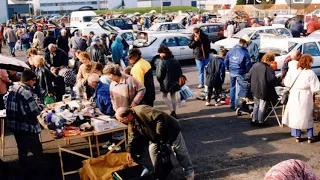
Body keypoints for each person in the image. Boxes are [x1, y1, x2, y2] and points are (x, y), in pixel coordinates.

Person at [115, 105, 194, 180]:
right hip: (155, 136)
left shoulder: (142, 111)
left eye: (121, 120)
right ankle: (159, 173)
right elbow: (131, 136)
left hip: (170, 130)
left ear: (126, 117)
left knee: (179, 151)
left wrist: (158, 135)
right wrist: (129, 151)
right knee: (153, 151)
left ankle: (189, 172)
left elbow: (160, 118)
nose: (121, 122)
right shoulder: (130, 121)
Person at [6, 69, 44, 170]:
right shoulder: (26, 92)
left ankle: (24, 169)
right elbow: (35, 111)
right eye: (34, 80)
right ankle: (42, 172)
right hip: (26, 126)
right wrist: (42, 106)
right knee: (37, 150)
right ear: (28, 80)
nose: (35, 82)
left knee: (22, 149)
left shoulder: (14, 87)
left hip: (14, 125)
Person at [282, 54, 320, 143]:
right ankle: (310, 136)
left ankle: (297, 136)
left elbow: (286, 82)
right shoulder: (310, 73)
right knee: (307, 116)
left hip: (294, 95)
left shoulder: (292, 71)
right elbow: (316, 88)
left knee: (296, 116)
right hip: (306, 95)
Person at [247, 52, 278, 126]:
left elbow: (248, 76)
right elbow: (272, 80)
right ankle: (261, 121)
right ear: (269, 60)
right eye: (272, 61)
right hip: (264, 89)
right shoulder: (268, 68)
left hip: (254, 88)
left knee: (256, 105)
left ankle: (254, 119)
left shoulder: (255, 65)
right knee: (262, 105)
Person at [225, 39, 252, 110]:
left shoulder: (231, 50)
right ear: (244, 44)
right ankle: (237, 105)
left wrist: (229, 68)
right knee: (239, 89)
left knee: (232, 87)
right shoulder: (244, 52)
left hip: (232, 71)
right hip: (240, 72)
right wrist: (247, 71)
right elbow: (248, 64)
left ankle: (232, 103)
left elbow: (226, 60)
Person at [156, 46, 182, 118]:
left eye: (160, 53)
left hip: (166, 83)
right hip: (175, 82)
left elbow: (159, 75)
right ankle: (174, 111)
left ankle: (172, 110)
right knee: (173, 96)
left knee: (164, 96)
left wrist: (160, 81)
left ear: (163, 53)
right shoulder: (175, 60)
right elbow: (180, 72)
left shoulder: (162, 62)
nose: (159, 55)